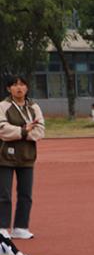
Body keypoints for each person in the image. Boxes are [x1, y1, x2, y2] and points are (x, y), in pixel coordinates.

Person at [0, 76, 45, 242]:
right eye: (15, 84)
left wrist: (21, 133)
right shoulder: (3, 106)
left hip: (27, 156)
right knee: (4, 194)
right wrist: (25, 131)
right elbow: (3, 130)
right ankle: (3, 227)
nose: (19, 88)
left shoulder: (34, 107)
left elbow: (40, 131)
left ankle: (21, 227)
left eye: (22, 84)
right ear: (8, 89)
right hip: (4, 157)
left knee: (26, 194)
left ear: (27, 87)